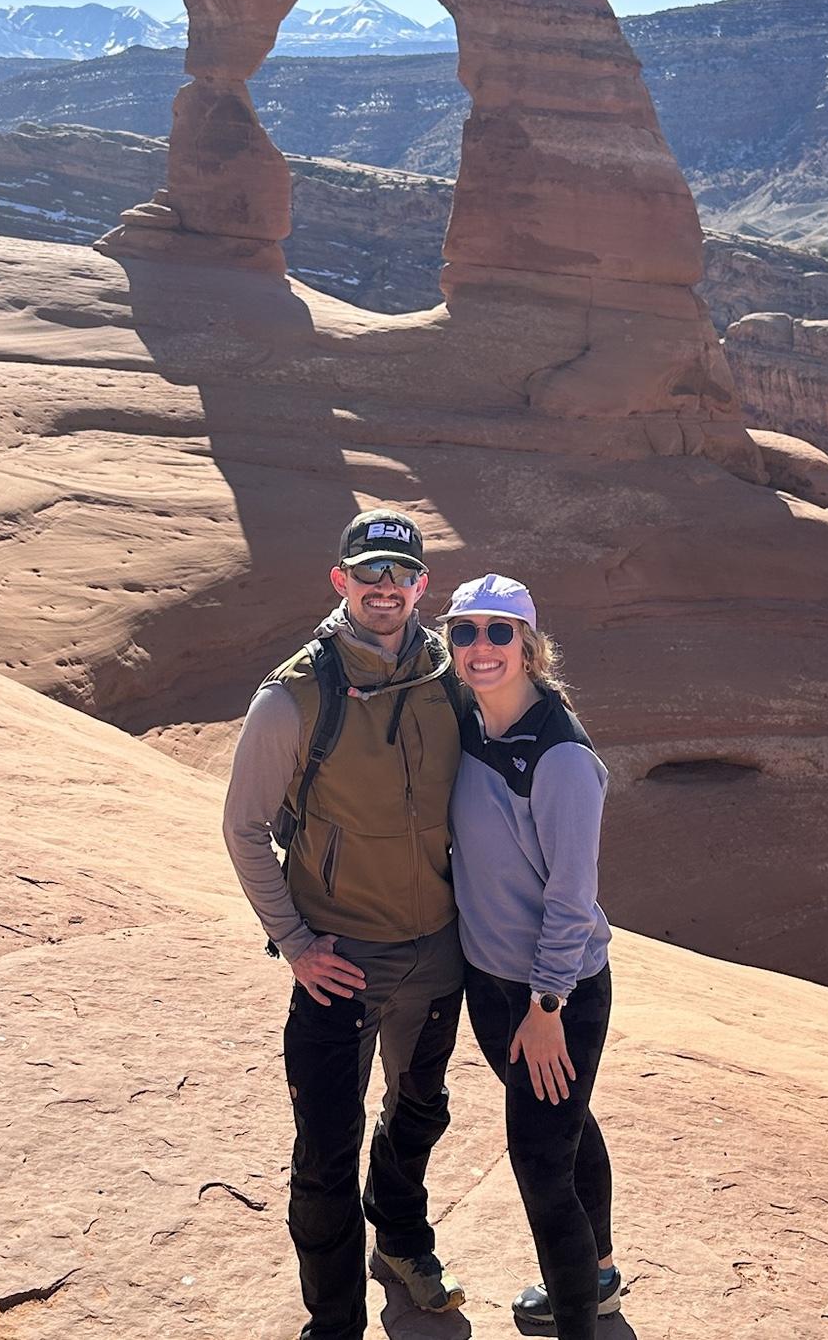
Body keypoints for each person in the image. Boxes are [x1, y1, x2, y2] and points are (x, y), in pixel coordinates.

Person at [222, 508, 467, 1340]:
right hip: (342, 956)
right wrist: (295, 944)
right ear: (341, 581)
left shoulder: (448, 676)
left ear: (422, 584)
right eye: (369, 575)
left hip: (437, 948)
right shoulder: (296, 693)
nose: (385, 590)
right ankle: (335, 1322)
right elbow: (243, 828)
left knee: (420, 1109)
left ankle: (399, 1237)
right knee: (325, 1150)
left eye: (400, 576)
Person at [438, 572, 621, 1338]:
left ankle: (579, 1318)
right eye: (465, 633)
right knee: (569, 1129)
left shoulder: (560, 756)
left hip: (554, 993)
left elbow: (573, 897)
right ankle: (598, 1275)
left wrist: (547, 1009)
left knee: (541, 1167)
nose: (481, 648)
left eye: (499, 632)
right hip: (490, 982)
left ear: (530, 646)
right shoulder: (469, 721)